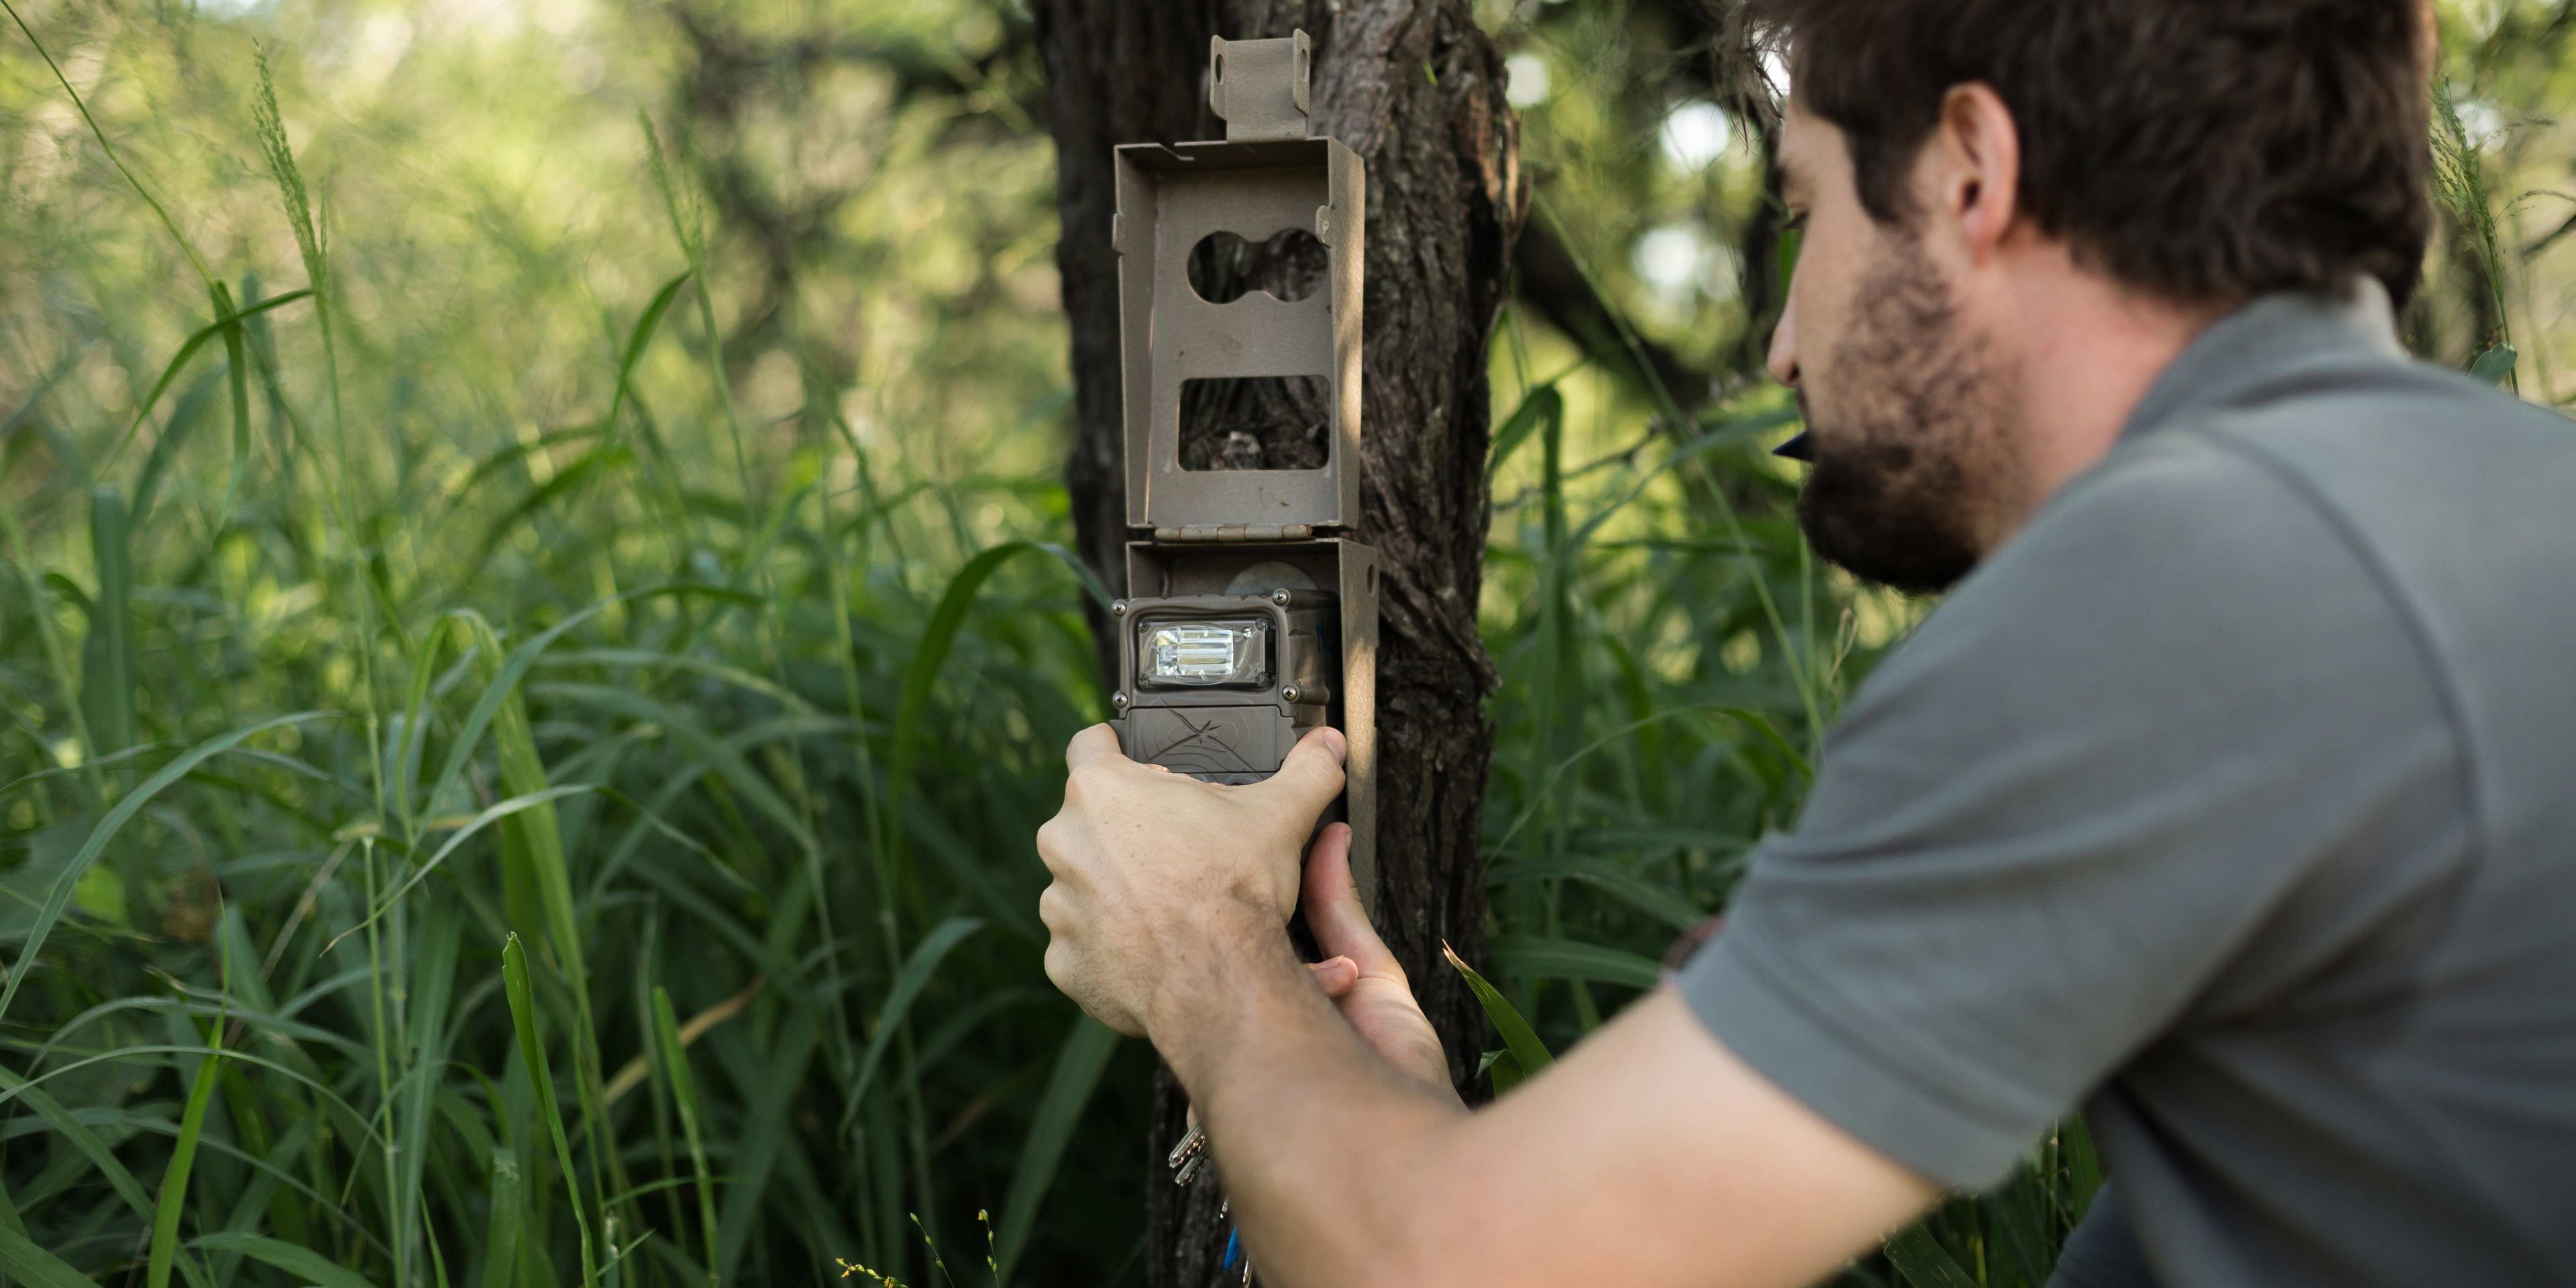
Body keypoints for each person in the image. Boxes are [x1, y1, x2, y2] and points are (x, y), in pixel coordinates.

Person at [1034, 1, 2576, 1284]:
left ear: (1971, 167)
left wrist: (1202, 958)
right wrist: (1421, 1146)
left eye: (1806, 213)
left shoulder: (2178, 587)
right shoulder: (2487, 511)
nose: (1778, 345)